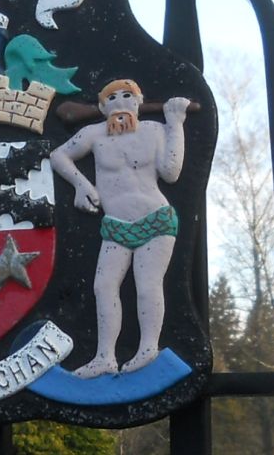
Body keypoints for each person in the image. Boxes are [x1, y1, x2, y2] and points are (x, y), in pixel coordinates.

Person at [51, 79, 189, 378]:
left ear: (139, 101)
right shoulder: (93, 134)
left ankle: (148, 348)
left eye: (128, 95)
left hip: (155, 219)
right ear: (102, 107)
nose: (120, 101)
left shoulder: (154, 130)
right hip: (116, 225)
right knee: (104, 286)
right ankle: (105, 357)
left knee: (148, 283)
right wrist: (81, 185)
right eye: (112, 97)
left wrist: (176, 123)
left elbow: (172, 172)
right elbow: (58, 156)